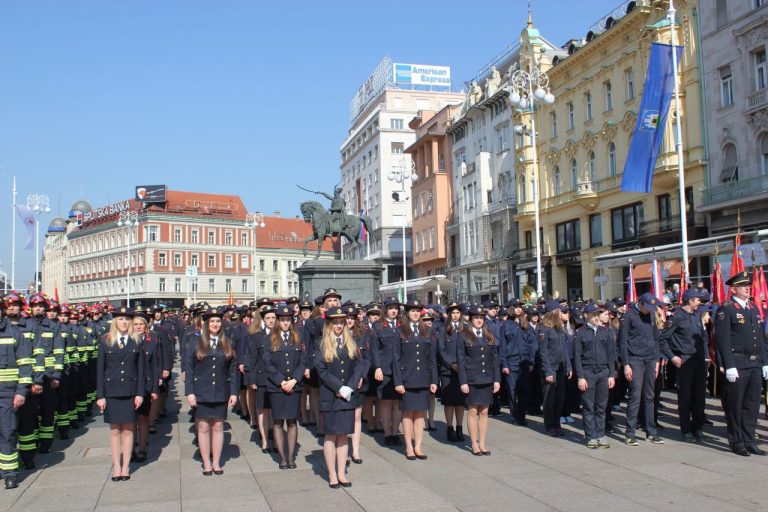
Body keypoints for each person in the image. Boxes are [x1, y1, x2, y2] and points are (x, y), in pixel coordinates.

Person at [715, 271, 768, 456]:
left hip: (754, 363)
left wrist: (764, 362)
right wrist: (729, 365)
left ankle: (749, 440)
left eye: (748, 285)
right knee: (735, 405)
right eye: (743, 286)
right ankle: (737, 441)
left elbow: (759, 338)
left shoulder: (752, 308)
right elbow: (722, 340)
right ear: (734, 289)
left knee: (752, 405)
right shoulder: (727, 309)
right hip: (737, 363)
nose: (747, 288)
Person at [184, 307, 238, 475]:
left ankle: (216, 462)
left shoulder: (227, 342)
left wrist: (234, 392)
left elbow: (233, 370)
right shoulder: (195, 341)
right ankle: (206, 462)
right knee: (203, 427)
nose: (215, 324)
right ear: (206, 324)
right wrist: (190, 392)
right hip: (202, 390)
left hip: (221, 390)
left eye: (218, 321)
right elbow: (189, 369)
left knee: (218, 427)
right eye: (212, 321)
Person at [316, 306, 366, 489]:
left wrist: (350, 387)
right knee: (330, 436)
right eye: (335, 323)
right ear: (329, 324)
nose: (338, 326)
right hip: (330, 396)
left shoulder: (351, 341)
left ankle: (341, 473)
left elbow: (359, 365)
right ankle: (332, 475)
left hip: (347, 396)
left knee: (344, 435)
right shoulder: (321, 343)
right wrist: (339, 387)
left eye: (341, 323)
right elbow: (321, 370)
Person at [96, 307, 145, 482]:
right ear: (114, 322)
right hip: (111, 391)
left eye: (126, 319)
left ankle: (126, 466)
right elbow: (100, 370)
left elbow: (141, 370)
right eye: (120, 319)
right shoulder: (105, 341)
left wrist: (140, 393)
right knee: (115, 430)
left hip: (130, 391)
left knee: (129, 430)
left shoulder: (137, 341)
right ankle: (116, 466)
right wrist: (100, 395)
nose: (124, 322)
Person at [659, 289, 709, 443]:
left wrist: (706, 358)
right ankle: (686, 430)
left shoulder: (696, 316)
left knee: (700, 398)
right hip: (685, 361)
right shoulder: (677, 317)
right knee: (685, 398)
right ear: (690, 300)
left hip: (699, 361)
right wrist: (672, 357)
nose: (699, 302)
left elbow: (703, 338)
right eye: (697, 300)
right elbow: (663, 339)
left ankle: (698, 429)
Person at [393, 300, 438, 460]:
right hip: (407, 379)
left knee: (420, 414)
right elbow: (396, 359)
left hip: (423, 379)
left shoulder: (427, 331)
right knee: (407, 414)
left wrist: (434, 380)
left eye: (417, 311)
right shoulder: (399, 332)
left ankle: (418, 446)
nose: (415, 313)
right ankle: (409, 447)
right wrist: (398, 382)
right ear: (406, 313)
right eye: (412, 311)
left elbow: (432, 358)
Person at [263, 306, 306, 469]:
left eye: (288, 320)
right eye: (282, 320)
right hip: (277, 387)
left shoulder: (298, 337)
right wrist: (281, 382)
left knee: (293, 421)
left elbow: (303, 361)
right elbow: (267, 363)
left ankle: (291, 456)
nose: (285, 323)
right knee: (278, 422)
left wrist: (295, 380)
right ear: (277, 322)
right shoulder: (269, 339)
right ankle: (282, 458)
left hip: (294, 386)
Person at [618, 292, 663, 446]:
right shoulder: (629, 317)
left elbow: (656, 338)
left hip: (650, 359)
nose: (650, 310)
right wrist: (626, 364)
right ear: (640, 303)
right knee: (635, 396)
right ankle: (630, 433)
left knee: (650, 396)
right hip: (635, 359)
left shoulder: (651, 315)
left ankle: (651, 432)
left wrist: (657, 360)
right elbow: (622, 342)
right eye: (648, 307)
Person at [457, 305, 501, 456]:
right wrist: (463, 381)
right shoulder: (463, 335)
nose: (479, 320)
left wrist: (497, 379)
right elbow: (461, 361)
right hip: (472, 379)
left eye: (481, 318)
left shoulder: (489, 334)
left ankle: (482, 443)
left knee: (484, 411)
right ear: (471, 319)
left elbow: (495, 359)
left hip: (487, 378)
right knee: (472, 411)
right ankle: (474, 444)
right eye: (476, 317)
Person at [0, 295, 33, 489]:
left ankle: (10, 473)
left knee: (7, 431)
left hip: (7, 393)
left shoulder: (13, 333)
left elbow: (25, 364)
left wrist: (21, 391)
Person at [574, 304, 616, 448]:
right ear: (586, 315)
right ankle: (591, 436)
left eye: (597, 314)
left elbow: (611, 355)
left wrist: (612, 375)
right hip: (588, 373)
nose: (596, 316)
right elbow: (577, 357)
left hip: (603, 372)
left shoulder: (606, 332)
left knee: (601, 406)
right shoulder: (580, 333)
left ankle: (600, 434)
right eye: (593, 314)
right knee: (588, 406)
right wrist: (580, 377)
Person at [372, 297, 403, 446]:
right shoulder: (378, 326)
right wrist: (377, 367)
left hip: (400, 371)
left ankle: (395, 431)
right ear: (385, 310)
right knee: (385, 403)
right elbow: (375, 350)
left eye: (396, 308)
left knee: (397, 404)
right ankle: (387, 433)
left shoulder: (403, 325)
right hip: (384, 369)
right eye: (391, 308)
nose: (394, 311)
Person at [539, 301, 573, 437]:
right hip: (551, 368)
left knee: (560, 398)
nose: (562, 313)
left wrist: (568, 366)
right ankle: (549, 425)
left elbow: (564, 349)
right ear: (553, 312)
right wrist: (548, 371)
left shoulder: (559, 327)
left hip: (561, 367)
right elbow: (543, 352)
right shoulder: (544, 328)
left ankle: (557, 424)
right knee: (550, 399)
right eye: (559, 311)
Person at [500, 298, 535, 427]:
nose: (519, 309)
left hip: (524, 361)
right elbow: (503, 346)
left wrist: (531, 360)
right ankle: (514, 415)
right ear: (511, 309)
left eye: (520, 306)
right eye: (516, 306)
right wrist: (504, 364)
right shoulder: (506, 325)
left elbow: (532, 343)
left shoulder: (525, 324)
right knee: (512, 390)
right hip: (512, 361)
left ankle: (522, 415)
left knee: (524, 390)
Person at [132, 309, 161, 462]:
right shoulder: (127, 340)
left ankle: (142, 448)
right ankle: (130, 449)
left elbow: (155, 367)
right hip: (130, 385)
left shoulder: (152, 341)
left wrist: (155, 388)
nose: (137, 327)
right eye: (135, 324)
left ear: (145, 326)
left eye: (140, 324)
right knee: (130, 420)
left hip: (146, 385)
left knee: (143, 419)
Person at [344, 305, 370, 464]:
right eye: (347, 318)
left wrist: (362, 376)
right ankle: (344, 451)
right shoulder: (337, 334)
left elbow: (367, 358)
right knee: (346, 416)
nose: (349, 321)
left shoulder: (363, 334)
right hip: (344, 381)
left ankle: (356, 451)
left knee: (357, 416)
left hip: (359, 381)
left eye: (352, 318)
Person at [437, 302, 466, 442]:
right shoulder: (443, 329)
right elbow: (441, 351)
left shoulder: (465, 329)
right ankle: (450, 428)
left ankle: (460, 428)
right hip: (448, 370)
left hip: (462, 370)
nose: (455, 315)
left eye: (457, 313)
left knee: (460, 403)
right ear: (449, 315)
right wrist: (452, 364)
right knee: (449, 402)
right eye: (453, 313)